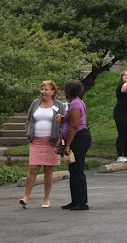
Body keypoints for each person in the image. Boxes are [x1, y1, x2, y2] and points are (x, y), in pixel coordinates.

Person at [20, 80, 65, 209]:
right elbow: (28, 120)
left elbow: (64, 122)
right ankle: (26, 197)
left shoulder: (59, 105)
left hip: (51, 141)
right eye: (42, 89)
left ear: (53, 92)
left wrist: (60, 123)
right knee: (33, 167)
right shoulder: (35, 103)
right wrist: (28, 131)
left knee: (48, 169)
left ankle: (46, 198)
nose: (43, 92)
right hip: (36, 140)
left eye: (46, 90)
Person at [60, 80, 92, 211]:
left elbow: (74, 126)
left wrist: (68, 145)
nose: (64, 92)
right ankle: (75, 200)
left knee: (78, 170)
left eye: (66, 89)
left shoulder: (75, 104)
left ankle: (82, 202)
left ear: (69, 91)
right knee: (73, 170)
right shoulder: (76, 102)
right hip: (77, 137)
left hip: (79, 138)